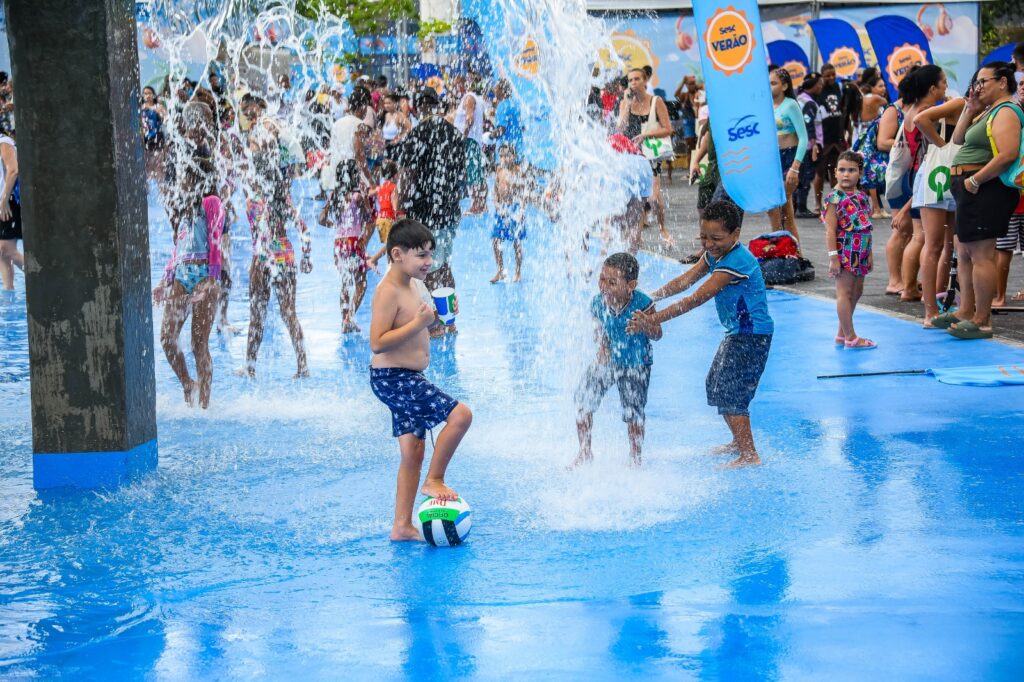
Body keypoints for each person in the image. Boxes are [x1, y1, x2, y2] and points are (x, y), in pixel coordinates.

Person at [628, 201, 772, 468]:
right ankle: (737, 441)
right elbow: (685, 281)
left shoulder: (736, 260)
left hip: (752, 336)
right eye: (704, 237)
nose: (709, 244)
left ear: (735, 234)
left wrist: (652, 319)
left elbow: (695, 299)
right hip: (737, 333)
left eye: (716, 238)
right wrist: (651, 297)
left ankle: (749, 454)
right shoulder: (715, 255)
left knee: (731, 392)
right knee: (716, 384)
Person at [369, 218, 473, 542]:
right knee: (460, 416)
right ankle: (434, 480)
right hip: (393, 377)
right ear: (397, 254)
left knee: (413, 450)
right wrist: (418, 324)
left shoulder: (416, 284)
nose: (429, 261)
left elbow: (425, 324)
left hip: (407, 375)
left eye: (430, 253)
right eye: (421, 255)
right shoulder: (388, 291)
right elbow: (377, 342)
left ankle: (401, 526)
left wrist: (440, 318)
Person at [937, 63, 1024, 339]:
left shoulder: (1007, 110)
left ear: (1002, 82)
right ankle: (966, 310)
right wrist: (970, 108)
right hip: (970, 187)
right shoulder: (988, 111)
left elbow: (1008, 154)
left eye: (983, 82)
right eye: (976, 82)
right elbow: (958, 138)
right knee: (964, 252)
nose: (978, 87)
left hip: (985, 189)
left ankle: (982, 320)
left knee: (981, 255)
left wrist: (975, 180)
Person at [241, 97, 312, 379]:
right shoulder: (284, 197)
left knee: (256, 315)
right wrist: (306, 257)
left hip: (262, 256)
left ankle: (250, 367)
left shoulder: (253, 201)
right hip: (284, 254)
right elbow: (303, 229)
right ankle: (302, 366)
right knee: (288, 313)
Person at [574, 252, 662, 468]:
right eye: (602, 279)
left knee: (633, 413)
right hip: (608, 361)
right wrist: (603, 347)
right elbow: (600, 330)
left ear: (631, 285)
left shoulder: (643, 303)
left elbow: (657, 334)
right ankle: (584, 451)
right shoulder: (598, 303)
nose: (604, 286)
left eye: (612, 282)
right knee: (583, 401)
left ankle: (635, 458)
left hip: (636, 364)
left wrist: (645, 325)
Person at [154, 140, 224, 408]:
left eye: (185, 175)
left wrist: (212, 280)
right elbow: (178, 248)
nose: (181, 180)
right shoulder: (185, 208)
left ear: (196, 176)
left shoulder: (212, 202)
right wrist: (164, 281)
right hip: (182, 277)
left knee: (198, 344)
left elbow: (215, 241)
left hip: (204, 275)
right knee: (167, 338)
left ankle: (205, 405)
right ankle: (187, 383)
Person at [397, 87, 466, 325]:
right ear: (437, 106)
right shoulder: (453, 134)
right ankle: (449, 320)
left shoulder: (416, 135)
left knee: (428, 269)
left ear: (418, 108)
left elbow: (407, 174)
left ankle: (435, 322)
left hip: (424, 214)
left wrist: (401, 206)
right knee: (444, 266)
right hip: (448, 212)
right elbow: (461, 175)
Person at [912, 72, 964, 326]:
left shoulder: (943, 106)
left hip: (944, 174)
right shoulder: (958, 103)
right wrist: (942, 145)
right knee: (935, 244)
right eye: (944, 82)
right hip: (940, 174)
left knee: (948, 245)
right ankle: (930, 308)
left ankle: (936, 302)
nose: (947, 86)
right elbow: (920, 120)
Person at [823, 151, 876, 349]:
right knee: (844, 292)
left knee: (857, 291)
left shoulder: (862, 197)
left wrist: (869, 254)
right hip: (845, 251)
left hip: (861, 251)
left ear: (860, 173)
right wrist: (833, 258)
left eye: (852, 170)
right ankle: (851, 337)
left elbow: (865, 227)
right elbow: (830, 231)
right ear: (835, 172)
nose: (846, 174)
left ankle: (842, 332)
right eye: (842, 170)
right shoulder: (834, 198)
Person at [617, 67, 674, 247]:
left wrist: (646, 135)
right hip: (632, 156)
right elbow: (619, 129)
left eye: (637, 79)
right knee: (636, 198)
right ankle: (637, 234)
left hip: (651, 153)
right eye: (630, 80)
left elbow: (668, 129)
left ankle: (662, 228)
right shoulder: (625, 102)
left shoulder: (656, 101)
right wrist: (627, 105)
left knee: (653, 199)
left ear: (645, 81)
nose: (633, 83)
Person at [320, 166, 374, 333]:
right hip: (354, 242)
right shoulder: (358, 196)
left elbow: (322, 219)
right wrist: (366, 200)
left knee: (345, 281)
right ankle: (349, 318)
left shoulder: (334, 195)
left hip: (339, 243)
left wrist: (337, 227)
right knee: (361, 283)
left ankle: (345, 320)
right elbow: (370, 217)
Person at [768, 68, 808, 241]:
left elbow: (804, 138)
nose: (769, 86)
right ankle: (781, 248)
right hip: (773, 159)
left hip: (789, 157)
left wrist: (795, 167)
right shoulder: (766, 105)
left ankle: (794, 251)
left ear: (784, 86)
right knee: (773, 210)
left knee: (785, 208)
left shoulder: (790, 105)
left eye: (773, 83)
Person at [489, 144, 527, 284]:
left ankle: (518, 271)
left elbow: (523, 194)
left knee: (516, 242)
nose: (503, 158)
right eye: (501, 156)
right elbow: (495, 190)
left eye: (506, 155)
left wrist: (521, 211)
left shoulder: (518, 171)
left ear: (514, 157)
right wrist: (497, 205)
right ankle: (500, 270)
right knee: (495, 240)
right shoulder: (499, 170)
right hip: (501, 209)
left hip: (514, 209)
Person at [454, 76, 489, 214]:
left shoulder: (468, 98)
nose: (455, 88)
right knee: (477, 173)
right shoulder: (476, 98)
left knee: (473, 174)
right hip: (475, 140)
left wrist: (463, 136)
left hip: (469, 140)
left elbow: (469, 119)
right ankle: (482, 204)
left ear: (463, 85)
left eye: (457, 85)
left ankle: (476, 205)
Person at [814, 64, 845, 213]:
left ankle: (834, 203)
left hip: (837, 137)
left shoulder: (839, 88)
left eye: (833, 74)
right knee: (820, 173)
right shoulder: (818, 90)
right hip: (823, 138)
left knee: (835, 172)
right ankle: (817, 203)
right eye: (827, 75)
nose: (831, 77)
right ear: (822, 76)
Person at [795, 73, 824, 218]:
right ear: (812, 85)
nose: (821, 86)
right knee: (805, 177)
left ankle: (796, 207)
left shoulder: (799, 98)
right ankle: (801, 208)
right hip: (808, 146)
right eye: (819, 84)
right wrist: (814, 145)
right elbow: (809, 124)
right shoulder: (809, 103)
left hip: (799, 144)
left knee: (800, 176)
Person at [0, 124, 23, 290]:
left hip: (8, 203)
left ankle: (45, 278)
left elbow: (14, 170)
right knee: (2, 253)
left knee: (6, 250)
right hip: (2, 202)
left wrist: (4, 200)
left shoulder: (4, 141)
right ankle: (9, 293)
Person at [368, 159, 400, 271]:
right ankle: (373, 259)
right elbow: (395, 207)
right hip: (388, 219)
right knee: (390, 245)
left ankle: (389, 267)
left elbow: (369, 193)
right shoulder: (393, 188)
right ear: (395, 175)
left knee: (390, 246)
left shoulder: (380, 187)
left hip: (380, 219)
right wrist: (398, 217)